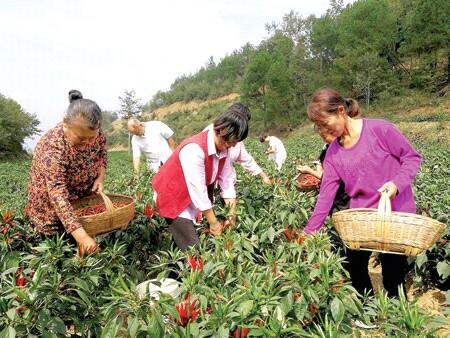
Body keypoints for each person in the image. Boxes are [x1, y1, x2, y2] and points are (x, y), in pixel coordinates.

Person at [302, 88, 422, 297]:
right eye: (319, 126)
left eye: (325, 123)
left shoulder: (380, 130)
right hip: (361, 219)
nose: (323, 130)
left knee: (393, 271)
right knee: (356, 266)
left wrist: (396, 184)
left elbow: (411, 157)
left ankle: (395, 318)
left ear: (341, 111)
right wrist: (309, 231)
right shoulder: (332, 153)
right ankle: (365, 311)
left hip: (394, 214)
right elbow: (326, 196)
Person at [152, 104, 249, 251]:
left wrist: (232, 215)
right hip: (174, 198)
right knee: (194, 251)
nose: (232, 146)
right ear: (222, 131)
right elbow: (198, 190)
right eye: (231, 142)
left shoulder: (224, 150)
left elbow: (227, 182)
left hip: (191, 199)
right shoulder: (194, 149)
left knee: (184, 246)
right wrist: (214, 222)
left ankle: (176, 272)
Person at [26, 90, 106, 254]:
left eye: (91, 138)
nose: (87, 144)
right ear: (65, 124)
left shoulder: (95, 132)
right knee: (58, 260)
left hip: (81, 206)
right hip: (52, 215)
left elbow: (102, 154)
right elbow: (57, 193)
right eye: (80, 138)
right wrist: (82, 238)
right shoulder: (53, 145)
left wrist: (100, 176)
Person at [203, 103, 271, 185]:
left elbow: (245, 159)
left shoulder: (237, 137)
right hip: (208, 184)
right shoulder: (212, 134)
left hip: (225, 184)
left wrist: (263, 176)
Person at [297, 128, 350, 214]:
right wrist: (316, 169)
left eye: (325, 136)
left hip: (343, 197)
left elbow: (333, 177)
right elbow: (321, 162)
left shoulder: (342, 148)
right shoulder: (326, 146)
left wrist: (310, 171)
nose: (324, 139)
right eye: (322, 137)